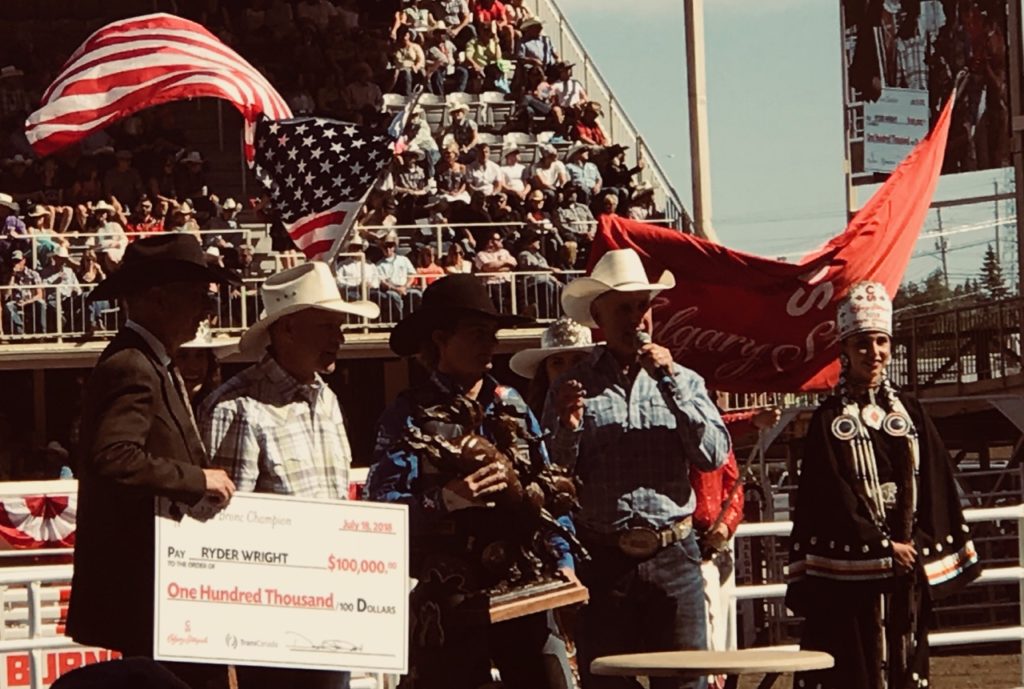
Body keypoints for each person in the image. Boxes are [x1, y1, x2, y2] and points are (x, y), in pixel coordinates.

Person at [366, 274, 574, 689]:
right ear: (440, 339)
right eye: (477, 334)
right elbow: (383, 510)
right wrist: (445, 499)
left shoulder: (514, 407)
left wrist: (563, 557)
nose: (489, 345)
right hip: (448, 596)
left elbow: (550, 489)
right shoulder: (408, 415)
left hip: (525, 586)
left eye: (492, 335)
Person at [545, 248, 730, 689]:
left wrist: (673, 388)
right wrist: (569, 429)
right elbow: (555, 475)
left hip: (674, 555)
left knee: (685, 682)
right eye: (623, 309)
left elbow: (713, 455)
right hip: (605, 559)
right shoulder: (572, 387)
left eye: (643, 307)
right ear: (598, 319)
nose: (637, 319)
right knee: (608, 681)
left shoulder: (686, 379)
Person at [786, 281, 981, 689]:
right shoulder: (828, 421)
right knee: (857, 670)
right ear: (845, 350)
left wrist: (921, 542)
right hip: (853, 581)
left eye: (880, 342)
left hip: (907, 574)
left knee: (907, 667)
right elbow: (829, 496)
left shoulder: (910, 413)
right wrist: (880, 547)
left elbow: (936, 482)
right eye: (862, 344)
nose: (873, 353)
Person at [67, 235, 239, 689]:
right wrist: (196, 478)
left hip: (167, 583)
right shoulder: (133, 364)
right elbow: (113, 457)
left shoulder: (148, 362)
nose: (206, 311)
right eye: (199, 297)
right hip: (152, 587)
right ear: (159, 299)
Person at [200, 262, 379, 689]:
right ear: (286, 330)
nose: (339, 338)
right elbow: (220, 531)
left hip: (331, 601)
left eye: (340, 327)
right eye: (327, 326)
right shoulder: (236, 407)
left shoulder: (327, 399)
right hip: (271, 618)